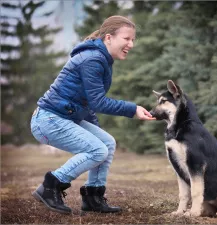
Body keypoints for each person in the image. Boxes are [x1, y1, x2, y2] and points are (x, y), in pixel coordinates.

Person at [30, 15, 155, 215]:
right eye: (126, 39)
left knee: (106, 144)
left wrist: (96, 130)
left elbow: (88, 103)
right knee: (98, 151)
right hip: (48, 120)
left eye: (133, 39)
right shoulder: (93, 59)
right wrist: (132, 109)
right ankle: (51, 186)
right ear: (108, 38)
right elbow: (98, 102)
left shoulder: (101, 58)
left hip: (63, 117)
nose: (131, 44)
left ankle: (93, 198)